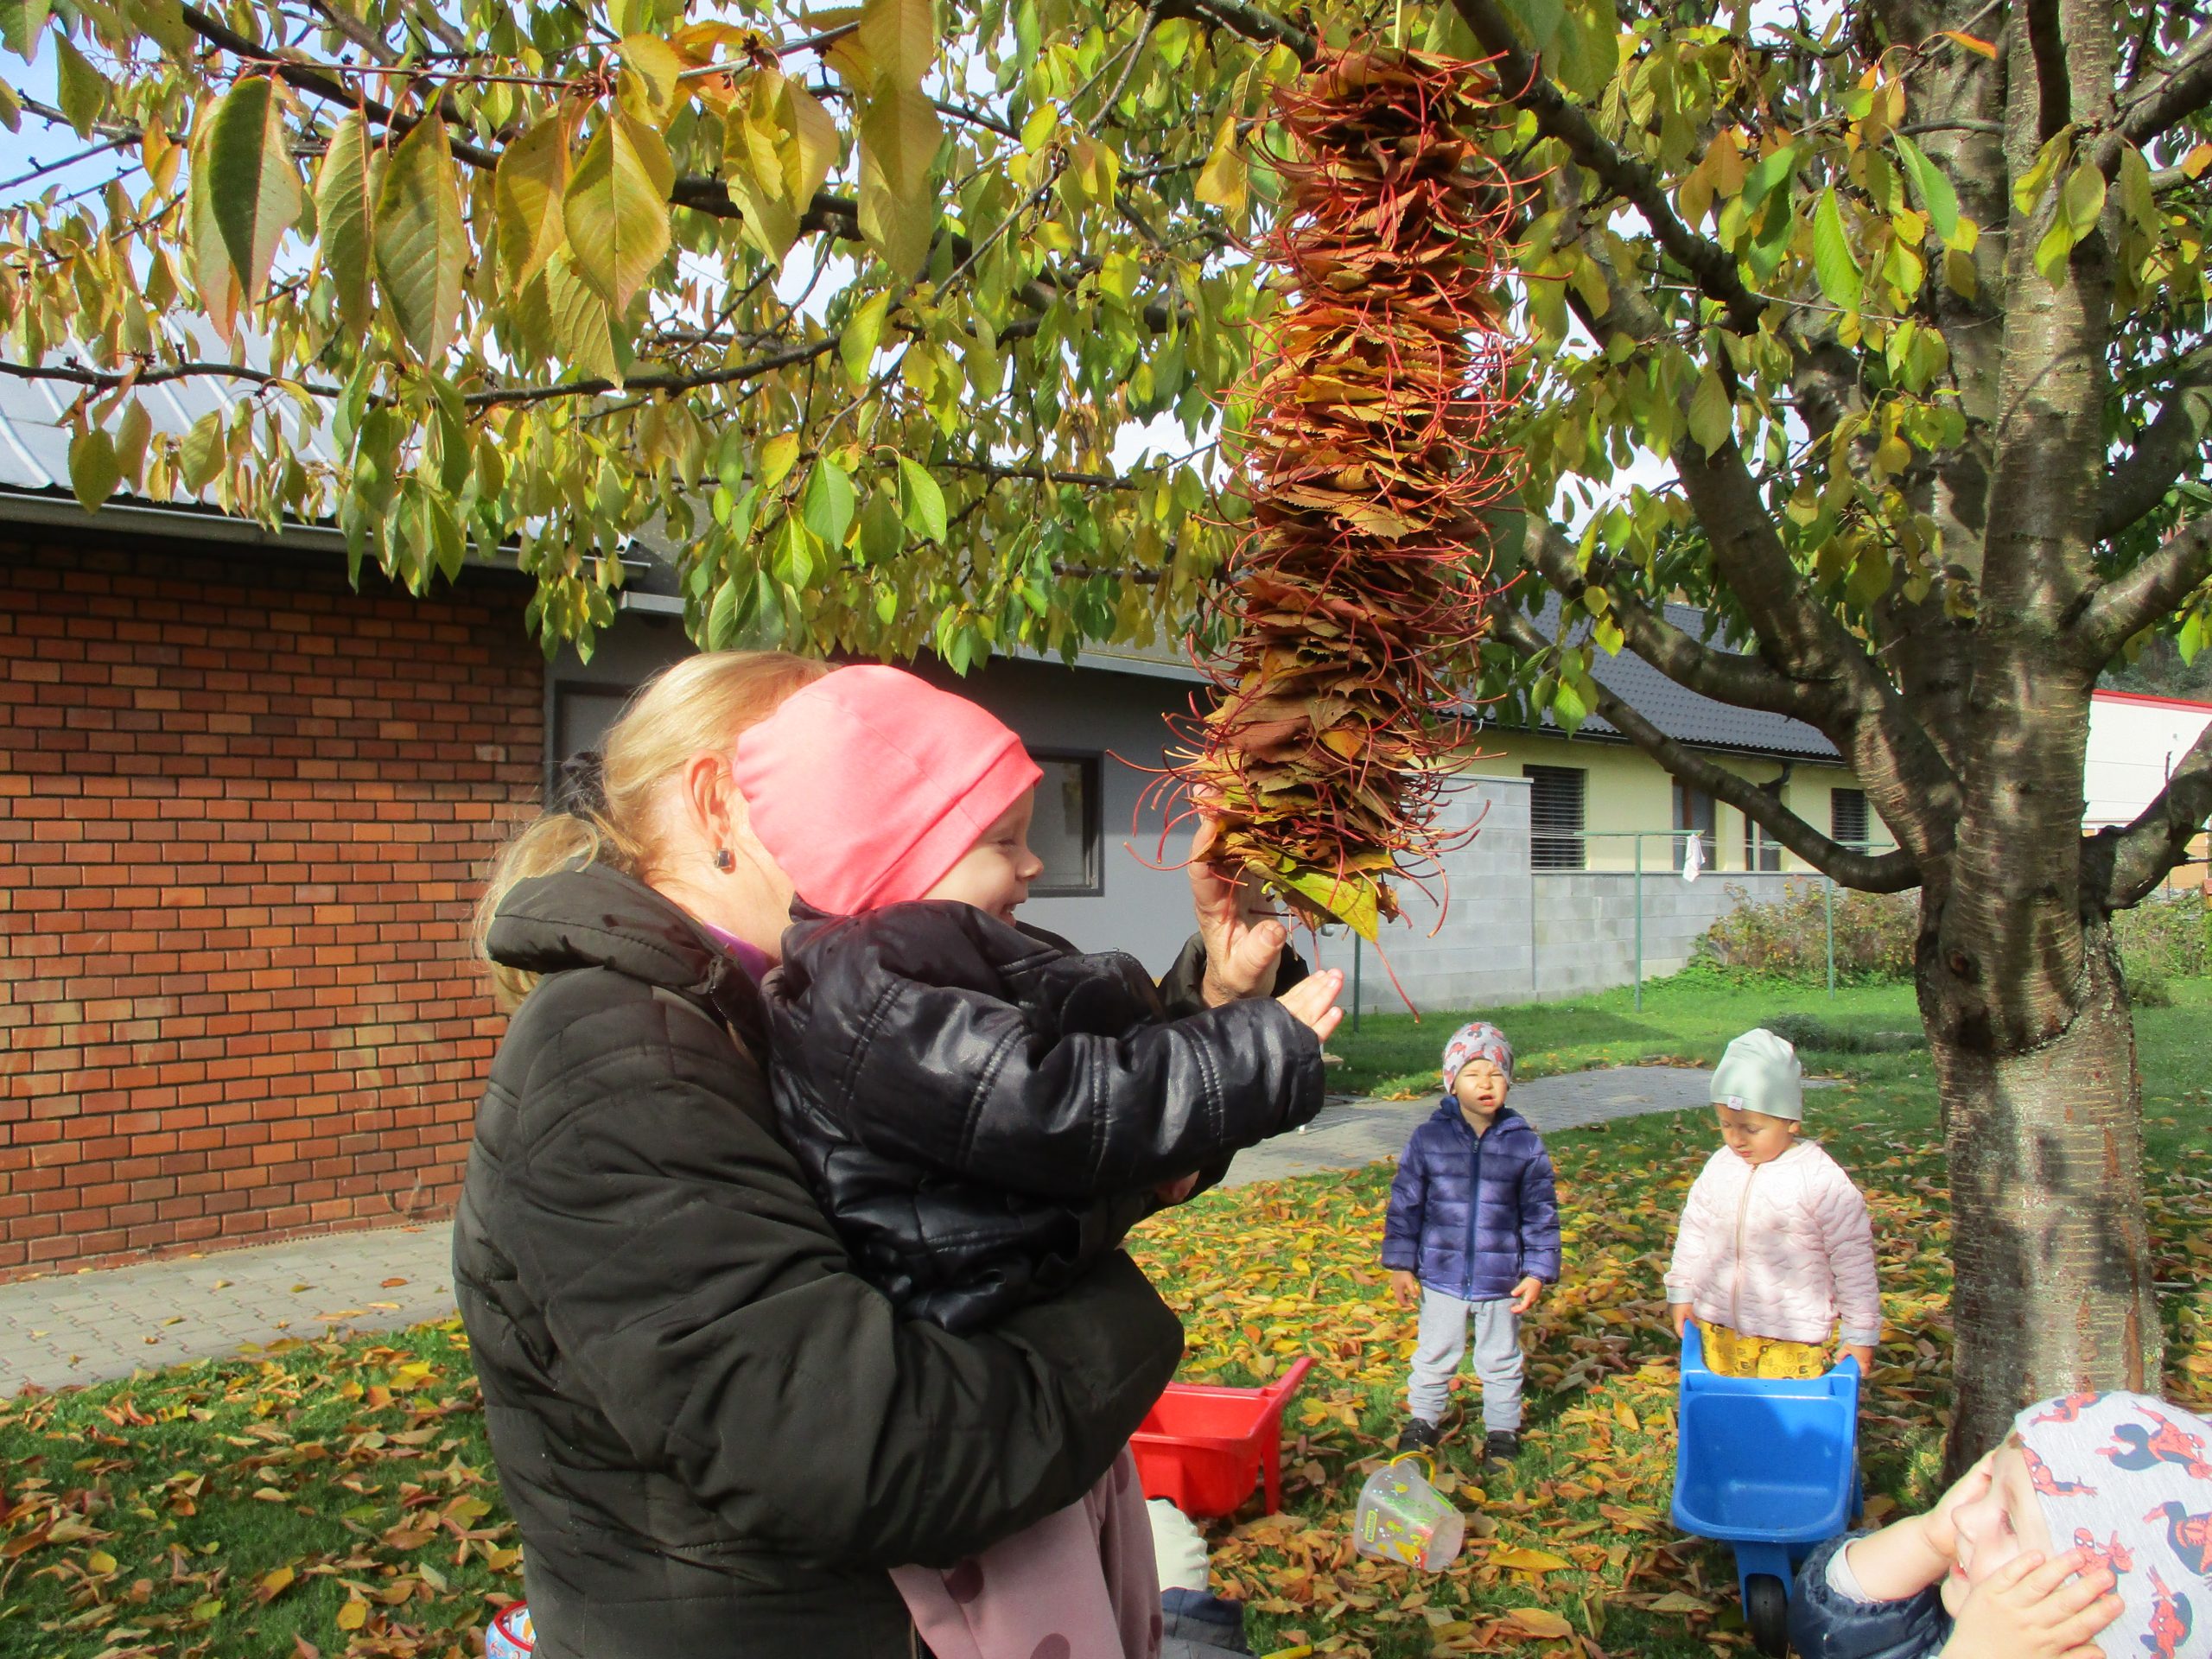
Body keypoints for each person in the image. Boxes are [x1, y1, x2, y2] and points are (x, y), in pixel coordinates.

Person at [453, 651, 1308, 1659]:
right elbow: (871, 1453)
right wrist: (1122, 1323)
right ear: (722, 803)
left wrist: (1211, 1009)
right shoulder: (614, 1058)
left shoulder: (787, 1003)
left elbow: (1003, 1159)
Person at [734, 664, 1343, 1659]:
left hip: (1020, 1365)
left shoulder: (932, 977)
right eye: (1002, 842)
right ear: (892, 867)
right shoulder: (875, 999)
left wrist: (1220, 1004)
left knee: (1108, 1598)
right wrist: (1256, 1052)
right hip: (968, 1384)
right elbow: (1058, 1109)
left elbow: (1098, 1089)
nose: (1033, 867)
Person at [1787, 1390, 2212, 1658]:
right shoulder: (1988, 1630)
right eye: (1990, 1484)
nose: (1963, 1517)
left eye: (2008, 1521)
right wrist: (1928, 1540)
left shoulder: (1988, 1641)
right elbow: (1830, 1633)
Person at [1382, 1020, 1560, 1465]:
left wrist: (1538, 1271)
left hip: (1501, 1280)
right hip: (1440, 1275)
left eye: (1496, 1074)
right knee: (1435, 1352)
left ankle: (1502, 1430)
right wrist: (1401, 1264)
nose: (1486, 1083)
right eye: (1473, 1073)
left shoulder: (1525, 1145)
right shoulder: (1429, 1140)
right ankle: (1423, 1419)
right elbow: (1406, 1204)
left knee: (1500, 1357)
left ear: (1509, 1082)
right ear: (1451, 1082)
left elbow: (1541, 1212)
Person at [1665, 1027, 1880, 1380]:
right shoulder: (1720, 1166)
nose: (1736, 1139)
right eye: (1725, 1125)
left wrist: (1861, 1332)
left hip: (1792, 1338)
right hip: (1719, 1328)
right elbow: (1695, 1231)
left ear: (1791, 1122)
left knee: (1787, 1420)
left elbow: (1852, 1259)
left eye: (1751, 1129)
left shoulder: (1819, 1179)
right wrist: (1682, 1291)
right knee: (1727, 1416)